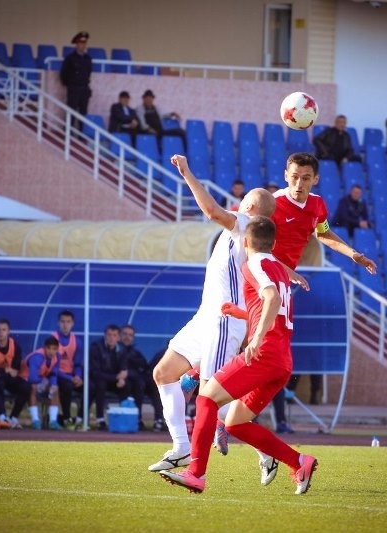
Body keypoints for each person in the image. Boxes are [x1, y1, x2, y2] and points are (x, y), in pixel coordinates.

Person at [159, 216, 318, 495]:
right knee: (234, 423)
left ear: (245, 242)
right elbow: (274, 309)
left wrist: (255, 338)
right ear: (274, 244)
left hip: (263, 353)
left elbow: (272, 299)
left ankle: (196, 473)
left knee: (206, 398)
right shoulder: (280, 271)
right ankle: (299, 462)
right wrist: (242, 314)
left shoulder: (253, 264)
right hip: (282, 360)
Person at [148, 154, 283, 473]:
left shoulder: (244, 224)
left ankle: (262, 452)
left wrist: (187, 173)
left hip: (223, 321)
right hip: (206, 317)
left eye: (244, 199)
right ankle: (181, 447)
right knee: (164, 373)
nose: (239, 202)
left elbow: (210, 211)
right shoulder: (247, 230)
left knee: (211, 397)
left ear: (251, 206)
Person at [268, 152, 377, 436]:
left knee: (276, 357)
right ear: (285, 176)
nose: (299, 183)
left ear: (315, 179)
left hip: (282, 285)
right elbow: (254, 248)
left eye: (305, 178)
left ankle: (250, 417)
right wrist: (286, 271)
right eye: (294, 177)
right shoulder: (272, 204)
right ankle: (203, 384)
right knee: (255, 346)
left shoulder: (317, 205)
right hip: (260, 280)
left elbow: (323, 233)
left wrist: (353, 254)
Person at [0, 319, 30, 428]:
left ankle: (13, 418)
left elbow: (15, 370)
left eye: (4, 330)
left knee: (26, 386)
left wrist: (0, 371)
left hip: (9, 378)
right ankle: (2, 416)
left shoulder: (15, 346)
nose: (1, 333)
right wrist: (4, 370)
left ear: (9, 331)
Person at [88, 324, 130, 430]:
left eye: (114, 335)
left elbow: (123, 366)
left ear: (118, 337)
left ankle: (124, 417)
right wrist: (117, 377)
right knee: (100, 385)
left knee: (126, 386)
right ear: (105, 336)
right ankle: (100, 419)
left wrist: (122, 377)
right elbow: (95, 372)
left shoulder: (122, 349)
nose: (111, 338)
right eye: (109, 335)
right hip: (98, 380)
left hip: (113, 381)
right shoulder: (96, 347)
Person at [19, 337, 62, 430]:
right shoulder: (37, 357)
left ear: (57, 349)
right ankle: (35, 420)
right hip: (25, 379)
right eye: (49, 348)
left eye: (54, 349)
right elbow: (32, 377)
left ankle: (53, 421)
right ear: (44, 348)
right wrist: (45, 385)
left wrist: (52, 385)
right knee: (33, 387)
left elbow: (54, 373)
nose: (51, 351)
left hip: (40, 378)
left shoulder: (57, 357)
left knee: (55, 388)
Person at [120, 324, 157, 430]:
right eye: (125, 334)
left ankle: (158, 420)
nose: (127, 337)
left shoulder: (135, 352)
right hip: (118, 382)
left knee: (150, 385)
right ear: (120, 335)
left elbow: (144, 366)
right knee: (132, 384)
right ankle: (130, 419)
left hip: (137, 383)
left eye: (130, 335)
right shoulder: (116, 350)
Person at [53, 310, 83, 429]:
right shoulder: (53, 339)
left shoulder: (77, 342)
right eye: (63, 322)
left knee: (90, 387)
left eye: (68, 322)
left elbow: (77, 363)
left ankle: (80, 419)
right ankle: (67, 418)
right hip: (56, 375)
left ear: (72, 324)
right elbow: (52, 367)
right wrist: (70, 378)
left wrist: (78, 376)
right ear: (58, 323)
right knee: (67, 386)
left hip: (71, 375)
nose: (65, 325)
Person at [60, 31, 92, 136]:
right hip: (74, 88)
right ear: (76, 44)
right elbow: (64, 74)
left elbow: (88, 73)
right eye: (81, 43)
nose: (83, 45)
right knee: (71, 111)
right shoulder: (70, 58)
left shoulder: (88, 59)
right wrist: (70, 85)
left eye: (84, 43)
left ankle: (82, 134)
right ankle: (68, 133)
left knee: (83, 113)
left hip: (84, 88)